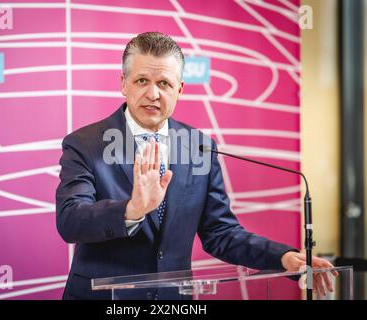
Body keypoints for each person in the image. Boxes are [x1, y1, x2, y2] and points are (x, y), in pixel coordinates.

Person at [56, 32, 335, 300]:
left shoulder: (198, 146)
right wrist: (132, 210)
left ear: (179, 89)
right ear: (123, 83)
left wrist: (282, 257)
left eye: (164, 83)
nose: (153, 93)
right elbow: (70, 221)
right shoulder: (85, 144)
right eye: (142, 80)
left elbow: (220, 232)